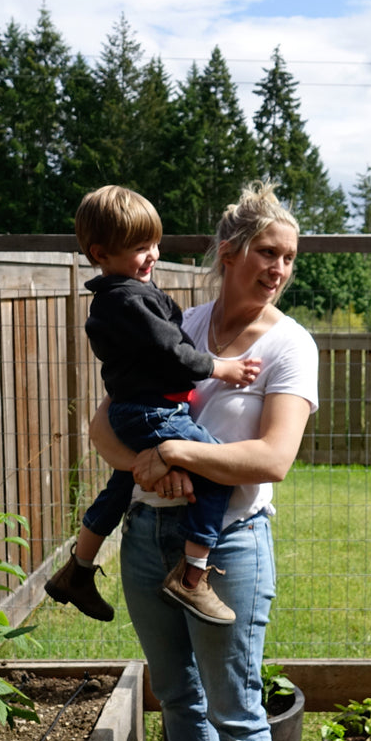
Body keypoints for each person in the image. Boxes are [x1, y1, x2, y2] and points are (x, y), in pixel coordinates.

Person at [88, 181, 318, 741]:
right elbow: (102, 427)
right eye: (266, 252)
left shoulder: (289, 346)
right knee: (176, 690)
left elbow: (272, 458)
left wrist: (173, 448)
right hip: (151, 536)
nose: (278, 268)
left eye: (287, 257)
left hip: (230, 548)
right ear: (229, 252)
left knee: (235, 705)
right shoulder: (173, 319)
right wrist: (143, 462)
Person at [45, 185, 260, 625]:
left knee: (122, 484)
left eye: (154, 244)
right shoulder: (128, 300)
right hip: (153, 413)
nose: (153, 255)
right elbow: (173, 352)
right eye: (140, 249)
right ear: (100, 252)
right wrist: (223, 369)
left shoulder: (117, 295)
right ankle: (193, 577)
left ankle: (77, 570)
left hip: (135, 411)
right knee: (217, 470)